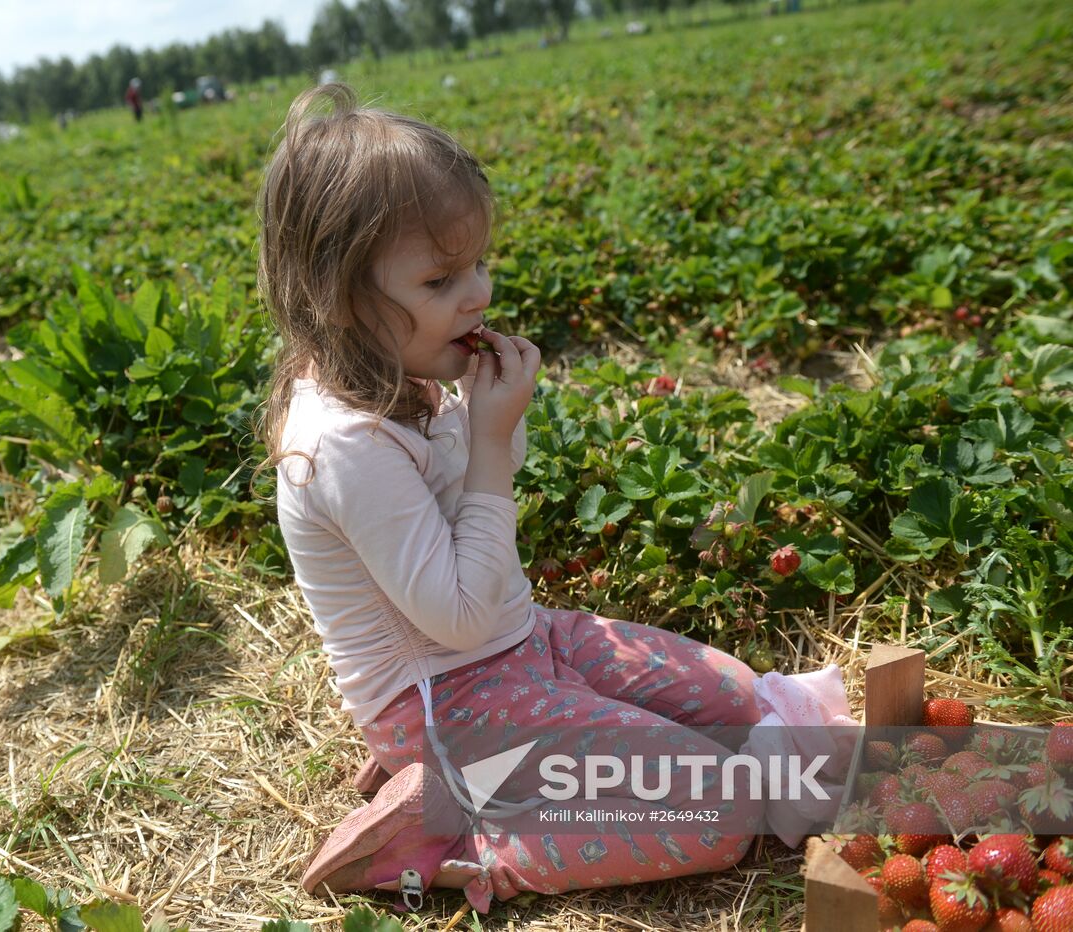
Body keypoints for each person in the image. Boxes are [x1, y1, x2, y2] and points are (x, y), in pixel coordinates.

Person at [255, 83, 856, 916]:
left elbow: (480, 532)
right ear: (339, 297)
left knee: (742, 698)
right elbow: (459, 618)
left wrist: (484, 418)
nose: (479, 295)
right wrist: (491, 438)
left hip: (524, 638)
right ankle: (457, 835)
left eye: (476, 263)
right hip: (447, 695)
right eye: (440, 279)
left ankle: (501, 773)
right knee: (719, 810)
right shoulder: (344, 445)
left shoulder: (409, 374)